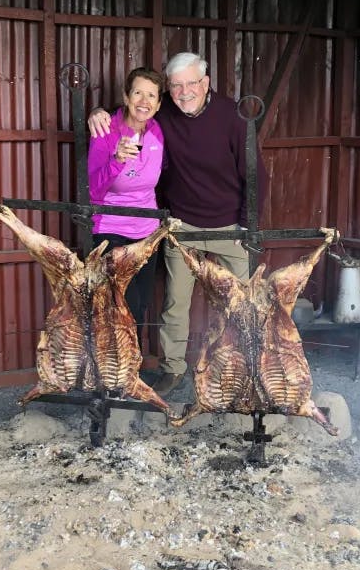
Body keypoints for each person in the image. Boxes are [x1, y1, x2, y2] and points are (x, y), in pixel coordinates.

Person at [89, 51, 265, 396]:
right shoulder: (163, 110)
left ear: (206, 83)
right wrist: (98, 113)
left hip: (230, 227)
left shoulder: (233, 116)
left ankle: (249, 370)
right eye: (176, 86)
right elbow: (136, 104)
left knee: (243, 302)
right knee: (174, 304)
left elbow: (256, 174)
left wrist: (247, 225)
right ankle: (172, 371)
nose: (184, 92)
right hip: (181, 226)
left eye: (191, 84)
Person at [87, 66, 166, 336]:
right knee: (122, 305)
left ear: (159, 104)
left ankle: (133, 369)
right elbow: (94, 191)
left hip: (147, 231)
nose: (144, 102)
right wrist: (116, 161)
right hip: (111, 230)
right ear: (125, 96)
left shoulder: (157, 131)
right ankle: (117, 372)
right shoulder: (105, 130)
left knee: (142, 303)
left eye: (151, 96)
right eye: (138, 93)